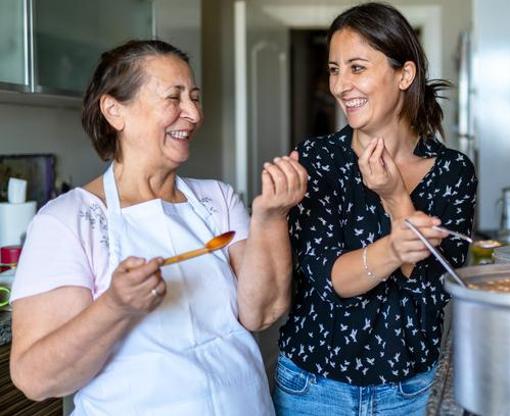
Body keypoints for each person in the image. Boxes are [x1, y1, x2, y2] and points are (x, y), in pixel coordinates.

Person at [9, 40, 307, 415]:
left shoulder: (217, 200)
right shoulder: (67, 220)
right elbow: (36, 379)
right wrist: (116, 307)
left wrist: (270, 217)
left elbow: (261, 313)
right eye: (174, 97)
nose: (194, 114)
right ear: (115, 111)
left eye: (194, 97)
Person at [273, 3, 478, 415]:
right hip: (314, 387)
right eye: (334, 69)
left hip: (411, 391)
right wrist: (395, 248)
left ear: (404, 74)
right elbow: (332, 281)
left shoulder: (453, 171)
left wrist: (395, 196)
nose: (341, 85)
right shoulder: (317, 160)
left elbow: (429, 288)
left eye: (356, 68)